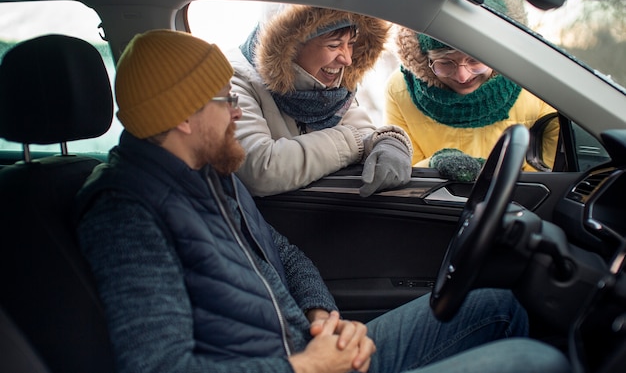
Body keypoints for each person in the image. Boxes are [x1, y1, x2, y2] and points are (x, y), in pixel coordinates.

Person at [74, 29, 570, 373]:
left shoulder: (208, 175)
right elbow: (158, 366)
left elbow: (283, 254)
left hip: (310, 350)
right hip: (297, 365)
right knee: (539, 363)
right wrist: (303, 366)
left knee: (496, 306)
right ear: (183, 117)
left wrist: (323, 319)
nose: (238, 111)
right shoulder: (126, 214)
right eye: (226, 99)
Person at [384, 0, 559, 182]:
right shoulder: (399, 89)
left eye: (474, 61)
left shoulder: (536, 85)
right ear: (425, 59)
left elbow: (550, 175)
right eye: (445, 63)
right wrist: (435, 163)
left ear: (495, 53)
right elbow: (409, 173)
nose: (463, 76)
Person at [228, 4, 413, 197]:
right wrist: (352, 143)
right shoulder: (234, 80)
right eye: (333, 45)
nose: (347, 59)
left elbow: (362, 131)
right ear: (289, 47)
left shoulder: (334, 87)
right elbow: (259, 169)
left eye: (351, 43)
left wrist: (389, 142)